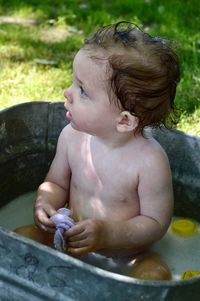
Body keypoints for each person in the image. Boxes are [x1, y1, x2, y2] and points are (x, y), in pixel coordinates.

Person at [21, 21, 180, 280]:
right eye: (74, 83)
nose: (68, 92)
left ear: (124, 121)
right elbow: (55, 184)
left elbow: (155, 223)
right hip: (67, 240)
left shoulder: (149, 161)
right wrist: (45, 204)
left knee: (155, 276)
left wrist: (108, 235)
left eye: (82, 90)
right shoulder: (72, 137)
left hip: (127, 256)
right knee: (21, 239)